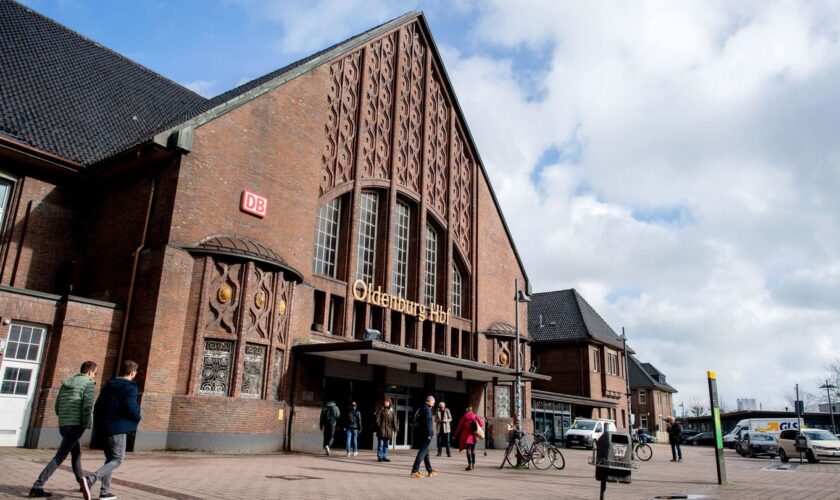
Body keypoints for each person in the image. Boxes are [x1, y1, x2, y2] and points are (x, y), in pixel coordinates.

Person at [28, 361, 98, 498]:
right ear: (90, 372)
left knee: (76, 453)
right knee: (60, 456)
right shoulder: (88, 383)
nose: (95, 376)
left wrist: (64, 419)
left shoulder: (67, 383)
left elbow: (57, 406)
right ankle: (37, 485)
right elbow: (88, 406)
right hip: (76, 425)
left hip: (64, 424)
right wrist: (86, 424)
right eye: (95, 373)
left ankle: (82, 483)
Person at [80, 360, 141, 500]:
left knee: (110, 459)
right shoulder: (130, 387)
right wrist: (137, 416)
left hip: (105, 426)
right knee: (118, 459)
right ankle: (90, 479)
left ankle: (105, 491)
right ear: (132, 372)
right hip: (118, 427)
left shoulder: (109, 384)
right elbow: (130, 406)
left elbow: (99, 404)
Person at [410, 395, 437, 478]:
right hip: (426, 434)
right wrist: (430, 434)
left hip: (421, 433)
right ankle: (414, 470)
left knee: (426, 452)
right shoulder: (427, 409)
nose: (434, 404)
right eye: (433, 403)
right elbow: (428, 423)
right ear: (431, 401)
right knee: (422, 452)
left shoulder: (422, 407)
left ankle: (430, 470)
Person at [452, 406, 484, 471]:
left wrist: (455, 435)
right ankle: (473, 464)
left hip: (466, 436)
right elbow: (481, 424)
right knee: (473, 450)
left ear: (467, 411)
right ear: (471, 411)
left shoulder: (464, 417)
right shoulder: (475, 416)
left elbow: (459, 427)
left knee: (468, 450)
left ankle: (470, 465)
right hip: (474, 436)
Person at [375, 397, 397, 462]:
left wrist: (396, 429)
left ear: (389, 403)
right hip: (381, 430)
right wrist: (379, 426)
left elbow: (394, 421)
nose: (386, 403)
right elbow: (377, 419)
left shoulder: (392, 412)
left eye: (387, 402)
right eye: (385, 402)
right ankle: (380, 457)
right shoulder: (381, 410)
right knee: (380, 445)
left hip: (388, 431)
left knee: (386, 445)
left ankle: (385, 456)